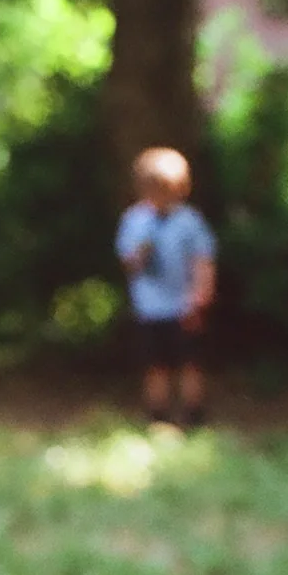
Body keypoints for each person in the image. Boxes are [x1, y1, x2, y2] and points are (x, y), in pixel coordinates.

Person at [115, 148, 217, 428]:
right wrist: (140, 255)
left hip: (184, 306)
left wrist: (201, 295)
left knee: (189, 363)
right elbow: (128, 262)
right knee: (154, 365)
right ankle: (157, 416)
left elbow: (203, 260)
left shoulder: (190, 221)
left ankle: (192, 415)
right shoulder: (134, 221)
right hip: (149, 308)